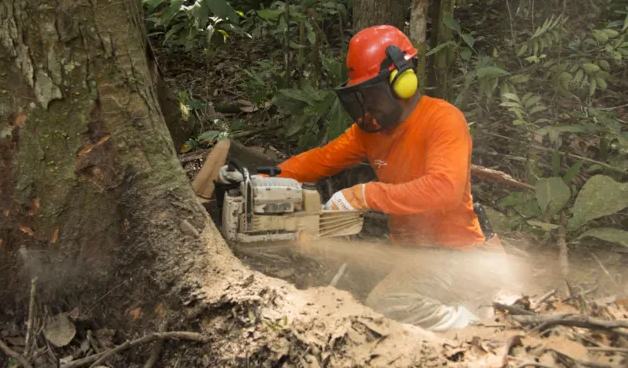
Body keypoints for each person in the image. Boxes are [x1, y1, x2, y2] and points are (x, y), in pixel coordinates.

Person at [219, 25, 510, 331]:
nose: (367, 103)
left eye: (372, 92)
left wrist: (364, 195)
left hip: (459, 255)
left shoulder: (443, 120)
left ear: (402, 81)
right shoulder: (372, 130)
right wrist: (259, 177)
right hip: (414, 255)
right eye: (361, 94)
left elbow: (445, 189)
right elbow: (320, 160)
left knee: (388, 304)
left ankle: (479, 332)